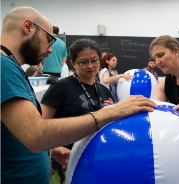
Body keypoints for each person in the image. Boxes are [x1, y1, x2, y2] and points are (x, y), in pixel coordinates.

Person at [0, 6, 156, 184]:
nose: (51, 50)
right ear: (28, 27)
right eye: (49, 39)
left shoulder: (10, 67)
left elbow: (23, 134)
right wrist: (113, 111)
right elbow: (36, 134)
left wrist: (50, 150)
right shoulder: (3, 66)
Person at [41, 38, 113, 184]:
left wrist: (112, 110)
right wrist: (54, 149)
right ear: (73, 63)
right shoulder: (60, 87)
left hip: (96, 159)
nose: (90, 66)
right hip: (64, 161)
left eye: (94, 60)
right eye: (83, 62)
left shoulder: (104, 90)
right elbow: (39, 125)